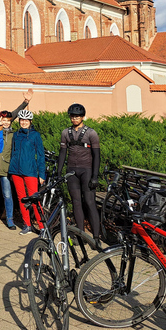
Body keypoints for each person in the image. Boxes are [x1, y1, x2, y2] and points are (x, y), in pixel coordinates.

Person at [58, 103, 101, 242]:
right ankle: (81, 234)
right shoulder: (65, 133)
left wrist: (95, 176)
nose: (74, 119)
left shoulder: (91, 133)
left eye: (77, 116)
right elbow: (62, 153)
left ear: (82, 117)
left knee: (89, 202)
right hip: (72, 172)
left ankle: (96, 237)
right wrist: (59, 172)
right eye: (72, 116)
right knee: (76, 202)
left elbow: (97, 156)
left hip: (86, 171)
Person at [9, 109, 46, 235]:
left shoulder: (35, 135)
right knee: (21, 199)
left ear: (30, 121)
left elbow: (40, 155)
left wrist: (41, 174)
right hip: (15, 170)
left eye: (26, 120)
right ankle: (27, 225)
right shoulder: (16, 134)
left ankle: (42, 227)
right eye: (22, 120)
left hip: (30, 171)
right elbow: (12, 151)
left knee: (35, 199)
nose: (24, 122)